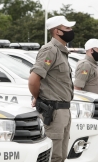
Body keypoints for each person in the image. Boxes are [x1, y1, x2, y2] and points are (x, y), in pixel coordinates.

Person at [28, 16, 75, 162]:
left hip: (64, 110)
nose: (71, 31)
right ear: (57, 31)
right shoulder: (50, 50)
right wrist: (39, 97)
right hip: (54, 111)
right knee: (53, 156)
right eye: (67, 28)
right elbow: (33, 80)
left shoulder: (62, 52)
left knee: (61, 155)